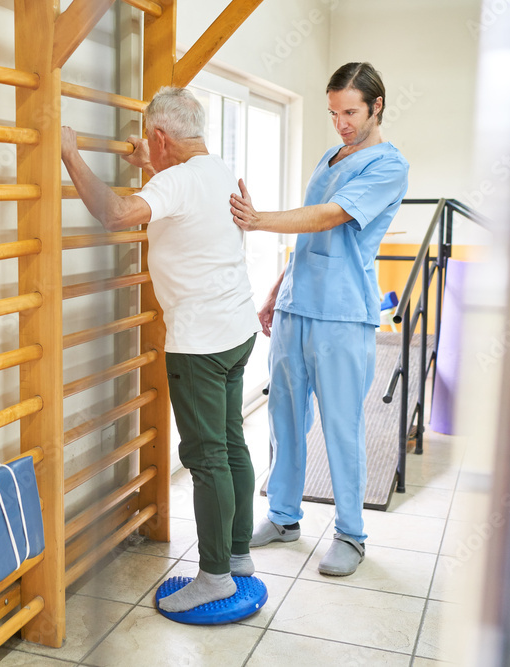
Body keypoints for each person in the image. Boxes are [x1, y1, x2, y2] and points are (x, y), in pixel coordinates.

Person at [61, 86, 259, 612]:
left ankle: (215, 576)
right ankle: (237, 557)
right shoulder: (217, 168)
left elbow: (118, 213)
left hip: (201, 344)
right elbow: (182, 204)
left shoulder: (174, 181)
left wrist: (69, 154)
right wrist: (153, 165)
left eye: (153, 142)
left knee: (206, 456)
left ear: (160, 137)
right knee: (231, 442)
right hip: (237, 331)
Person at [229, 62, 409, 576]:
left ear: (377, 106)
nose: (341, 123)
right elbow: (310, 233)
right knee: (284, 420)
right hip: (295, 306)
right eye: (334, 113)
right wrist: (277, 286)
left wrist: (261, 220)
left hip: (341, 313)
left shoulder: (388, 166)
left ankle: (351, 534)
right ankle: (284, 517)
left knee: (341, 426)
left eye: (350, 112)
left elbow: (332, 216)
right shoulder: (331, 155)